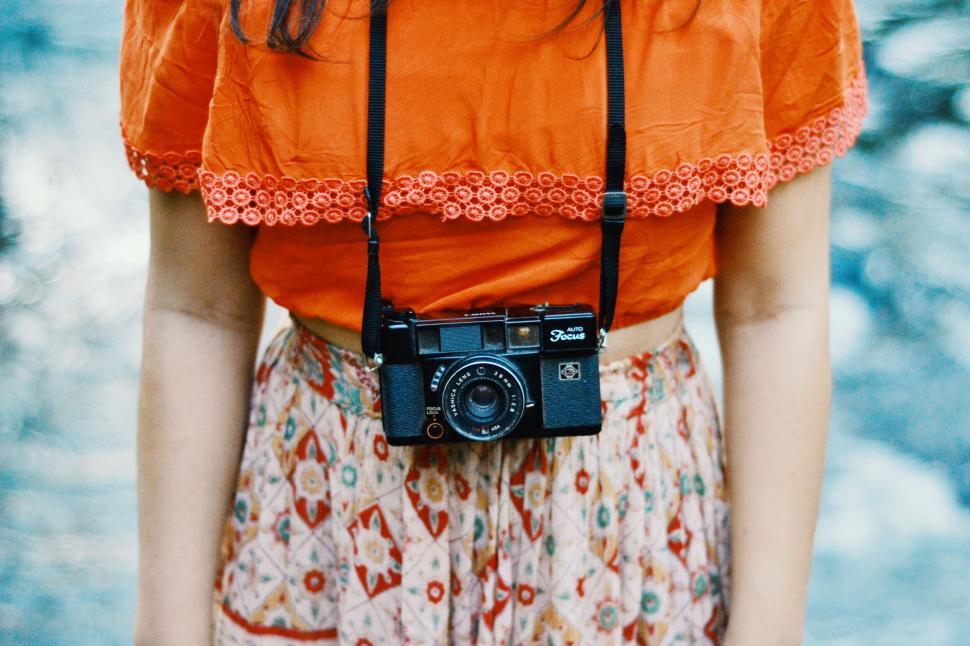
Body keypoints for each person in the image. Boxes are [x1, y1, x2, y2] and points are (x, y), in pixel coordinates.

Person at [119, 0, 866, 643]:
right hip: (327, 523)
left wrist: (769, 623)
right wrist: (168, 625)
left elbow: (777, 307)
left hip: (630, 524)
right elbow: (198, 309)